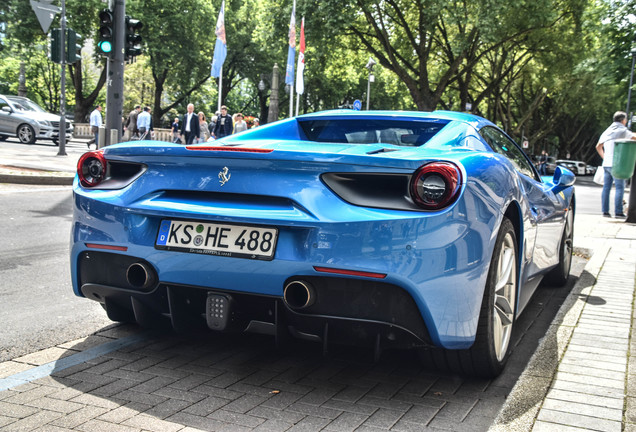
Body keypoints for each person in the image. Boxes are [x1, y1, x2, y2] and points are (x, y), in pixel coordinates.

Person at [596, 111, 636, 218]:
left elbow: (598, 146)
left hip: (606, 164)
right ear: (623, 120)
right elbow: (634, 137)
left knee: (606, 188)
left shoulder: (607, 131)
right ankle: (618, 212)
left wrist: (605, 158)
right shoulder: (622, 130)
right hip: (617, 164)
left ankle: (605, 211)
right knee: (619, 188)